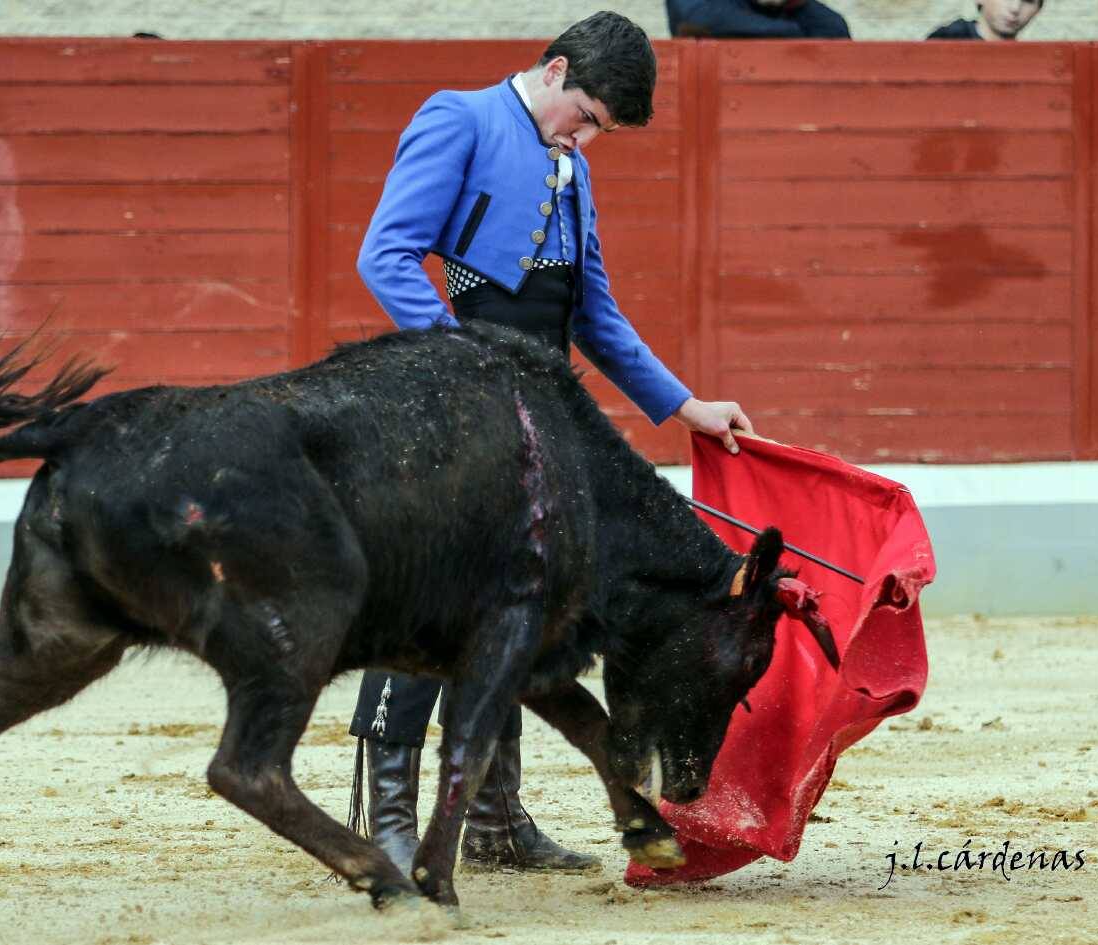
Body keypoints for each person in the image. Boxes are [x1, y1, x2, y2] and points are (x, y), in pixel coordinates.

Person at [349, 11, 754, 877]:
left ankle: (496, 822)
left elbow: (593, 316)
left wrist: (683, 405)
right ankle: (386, 823)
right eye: (587, 116)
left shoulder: (569, 168)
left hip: (536, 417)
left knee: (525, 607)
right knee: (431, 602)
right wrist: (471, 371)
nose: (587, 138)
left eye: (601, 130)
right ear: (556, 68)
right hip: (452, 409)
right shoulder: (458, 118)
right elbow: (385, 256)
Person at [666, 0, 851, 39]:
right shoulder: (704, 7)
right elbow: (700, 18)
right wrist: (789, 31)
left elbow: (835, 31)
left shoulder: (803, 11)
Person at [927, 0, 1042, 40]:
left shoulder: (1028, 60)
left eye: (1028, 0)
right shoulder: (947, 39)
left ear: (1038, 10)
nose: (1015, 8)